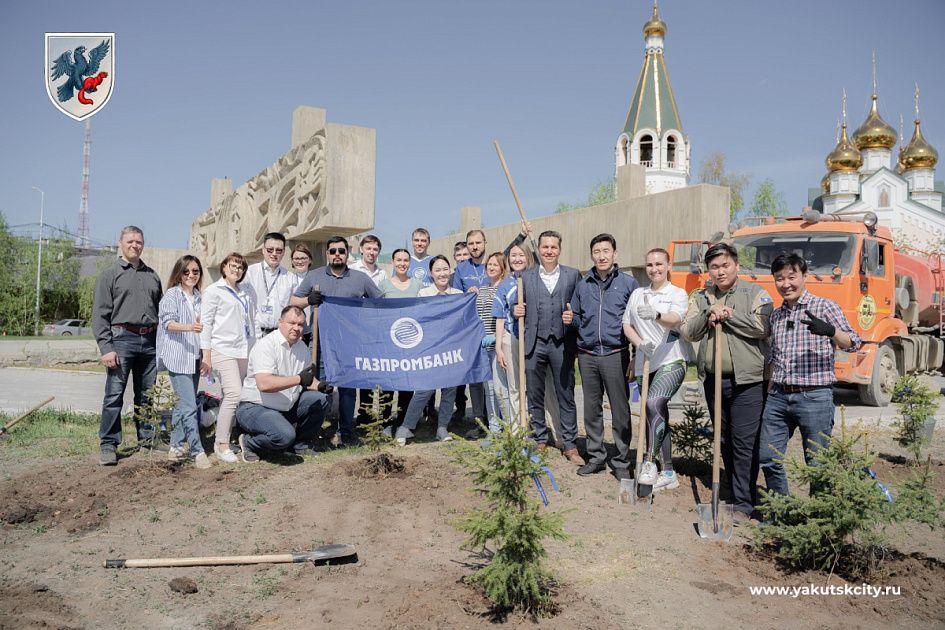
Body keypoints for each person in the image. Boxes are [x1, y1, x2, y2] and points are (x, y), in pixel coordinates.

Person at [681, 242, 772, 524]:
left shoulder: (755, 293)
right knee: (723, 439)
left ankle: (744, 502)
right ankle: (733, 494)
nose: (719, 272)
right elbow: (688, 331)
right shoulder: (701, 297)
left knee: (744, 442)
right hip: (714, 380)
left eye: (725, 265)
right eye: (714, 267)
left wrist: (730, 315)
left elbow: (763, 327)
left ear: (736, 265)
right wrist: (709, 315)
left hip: (748, 381)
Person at [759, 253, 861, 496]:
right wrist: (769, 390)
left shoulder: (824, 307)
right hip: (779, 397)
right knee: (767, 457)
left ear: (805, 276)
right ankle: (781, 511)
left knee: (817, 464)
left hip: (814, 397)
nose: (786, 284)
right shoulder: (776, 315)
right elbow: (774, 357)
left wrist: (831, 330)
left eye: (791, 277)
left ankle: (816, 525)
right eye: (779, 279)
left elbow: (854, 342)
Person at [291, 236, 382, 445]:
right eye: (333, 251)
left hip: (350, 344)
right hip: (321, 344)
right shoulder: (314, 276)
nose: (337, 254)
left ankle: (346, 432)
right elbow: (293, 301)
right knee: (319, 387)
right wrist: (308, 301)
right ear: (327, 254)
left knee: (349, 389)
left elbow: (379, 303)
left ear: (347, 253)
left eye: (341, 250)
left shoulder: (361, 278)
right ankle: (315, 432)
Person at [622, 248, 692, 490]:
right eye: (650, 264)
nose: (654, 269)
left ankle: (650, 462)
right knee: (656, 413)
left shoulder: (677, 293)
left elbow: (676, 319)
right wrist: (639, 343)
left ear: (668, 265)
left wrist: (656, 314)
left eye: (659, 264)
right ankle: (669, 471)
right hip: (645, 361)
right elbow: (627, 324)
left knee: (653, 403)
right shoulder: (637, 294)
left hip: (671, 359)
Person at [570, 234, 639, 478]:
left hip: (615, 354)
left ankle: (621, 461)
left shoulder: (629, 285)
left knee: (620, 410)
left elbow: (636, 324)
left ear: (615, 254)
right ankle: (596, 456)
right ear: (591, 255)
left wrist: (634, 357)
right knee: (591, 409)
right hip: (587, 355)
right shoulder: (583, 284)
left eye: (606, 251)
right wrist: (571, 320)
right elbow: (577, 318)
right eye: (597, 251)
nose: (601, 255)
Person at [93, 226, 163, 465]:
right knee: (114, 395)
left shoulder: (152, 275)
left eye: (139, 241)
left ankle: (147, 438)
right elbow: (100, 315)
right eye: (130, 241)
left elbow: (160, 310)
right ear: (120, 243)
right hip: (121, 339)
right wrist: (106, 347)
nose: (135, 245)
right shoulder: (109, 275)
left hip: (150, 342)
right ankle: (108, 444)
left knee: (147, 395)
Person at [513, 230, 584, 465]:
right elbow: (517, 306)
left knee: (566, 394)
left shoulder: (573, 276)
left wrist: (572, 317)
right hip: (534, 342)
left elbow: (580, 310)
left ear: (560, 250)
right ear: (539, 249)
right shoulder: (526, 277)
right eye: (545, 247)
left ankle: (570, 444)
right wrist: (517, 311)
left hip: (562, 344)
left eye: (554, 247)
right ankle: (540, 439)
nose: (549, 251)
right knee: (535, 394)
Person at [234, 306, 334, 462]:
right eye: (292, 323)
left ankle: (300, 445)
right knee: (284, 435)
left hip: (285, 406)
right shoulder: (266, 345)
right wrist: (298, 379)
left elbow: (306, 380)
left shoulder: (302, 348)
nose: (296, 328)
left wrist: (321, 386)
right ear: (280, 322)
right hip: (255, 407)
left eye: (300, 324)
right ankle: (249, 442)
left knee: (320, 399)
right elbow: (264, 384)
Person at [391, 255, 463, 445]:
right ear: (431, 273)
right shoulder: (423, 294)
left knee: (450, 390)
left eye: (445, 269)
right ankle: (406, 428)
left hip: (451, 350)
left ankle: (442, 428)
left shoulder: (458, 294)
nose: (442, 273)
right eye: (437, 270)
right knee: (424, 390)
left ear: (450, 271)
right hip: (430, 350)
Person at [200, 252, 255, 463]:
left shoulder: (244, 291)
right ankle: (221, 444)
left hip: (243, 350)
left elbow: (251, 320)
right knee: (234, 393)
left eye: (240, 267)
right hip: (222, 349)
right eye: (233, 265)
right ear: (224, 267)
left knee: (230, 396)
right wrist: (207, 355)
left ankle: (226, 438)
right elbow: (206, 325)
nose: (237, 270)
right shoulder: (214, 291)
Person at [157, 255, 211, 469]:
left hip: (194, 356)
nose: (191, 275)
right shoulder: (172, 295)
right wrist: (190, 327)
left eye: (195, 271)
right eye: (186, 271)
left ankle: (176, 446)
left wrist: (206, 355)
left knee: (182, 406)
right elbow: (168, 323)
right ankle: (197, 451)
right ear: (179, 273)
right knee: (189, 406)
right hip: (178, 357)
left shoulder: (200, 296)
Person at [379, 248, 425, 423]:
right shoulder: (383, 285)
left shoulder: (417, 284)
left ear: (410, 263)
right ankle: (385, 421)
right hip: (389, 343)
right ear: (393, 262)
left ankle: (403, 421)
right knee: (388, 383)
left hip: (410, 343)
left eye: (405, 260)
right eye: (398, 260)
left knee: (407, 383)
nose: (402, 263)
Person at [350, 235, 391, 423]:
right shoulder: (351, 270)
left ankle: (382, 412)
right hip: (358, 328)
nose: (372, 252)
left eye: (375, 249)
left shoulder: (383, 274)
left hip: (377, 328)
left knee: (379, 369)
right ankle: (364, 413)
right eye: (368, 249)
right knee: (363, 370)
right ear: (361, 249)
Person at [467, 252, 508, 437]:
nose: (491, 267)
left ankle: (510, 428)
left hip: (499, 346)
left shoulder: (506, 287)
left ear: (502, 268)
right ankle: (494, 430)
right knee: (489, 390)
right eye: (489, 264)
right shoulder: (483, 289)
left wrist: (496, 337)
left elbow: (508, 318)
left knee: (502, 390)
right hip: (483, 348)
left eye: (495, 265)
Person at [243, 232, 296, 339]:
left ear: (284, 252)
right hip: (254, 335)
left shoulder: (290, 277)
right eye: (270, 250)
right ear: (263, 250)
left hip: (279, 335)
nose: (274, 253)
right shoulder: (249, 273)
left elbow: (293, 307)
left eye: (279, 250)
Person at [289, 243, 314, 346]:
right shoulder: (288, 279)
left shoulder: (315, 278)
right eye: (296, 258)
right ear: (292, 261)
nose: (300, 261)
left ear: (310, 260)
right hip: (293, 330)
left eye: (303, 258)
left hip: (311, 331)